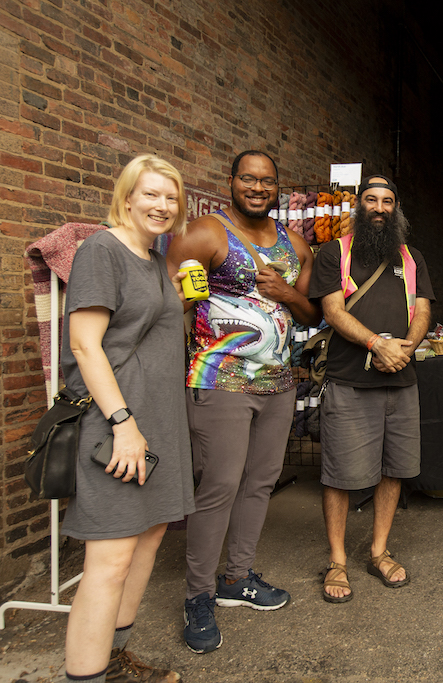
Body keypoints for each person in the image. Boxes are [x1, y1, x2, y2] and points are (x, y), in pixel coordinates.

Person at [166, 150, 320, 654]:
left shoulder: (297, 244)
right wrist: (184, 301)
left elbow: (310, 314)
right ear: (231, 182)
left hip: (279, 384)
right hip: (220, 381)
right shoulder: (204, 233)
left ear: (278, 187)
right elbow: (164, 299)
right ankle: (198, 596)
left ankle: (237, 577)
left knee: (260, 483)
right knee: (220, 487)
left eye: (267, 181)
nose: (258, 188)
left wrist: (286, 293)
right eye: (248, 179)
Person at [61, 154, 194, 682]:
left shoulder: (152, 258)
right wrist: (122, 423)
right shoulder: (101, 250)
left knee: (147, 544)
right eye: (152, 194)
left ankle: (114, 661)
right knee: (110, 561)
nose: (163, 205)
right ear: (127, 196)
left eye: (171, 197)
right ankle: (86, 676)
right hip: (118, 426)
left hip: (157, 423)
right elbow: (84, 345)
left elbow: (142, 331)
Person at [308, 175, 434, 603]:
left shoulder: (411, 257)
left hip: (401, 380)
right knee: (339, 475)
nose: (379, 208)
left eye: (387, 201)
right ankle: (337, 560)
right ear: (358, 206)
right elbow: (332, 311)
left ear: (396, 209)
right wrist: (377, 344)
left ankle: (379, 551)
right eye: (371, 200)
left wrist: (404, 350)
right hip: (350, 381)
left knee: (393, 469)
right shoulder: (334, 253)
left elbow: (422, 310)